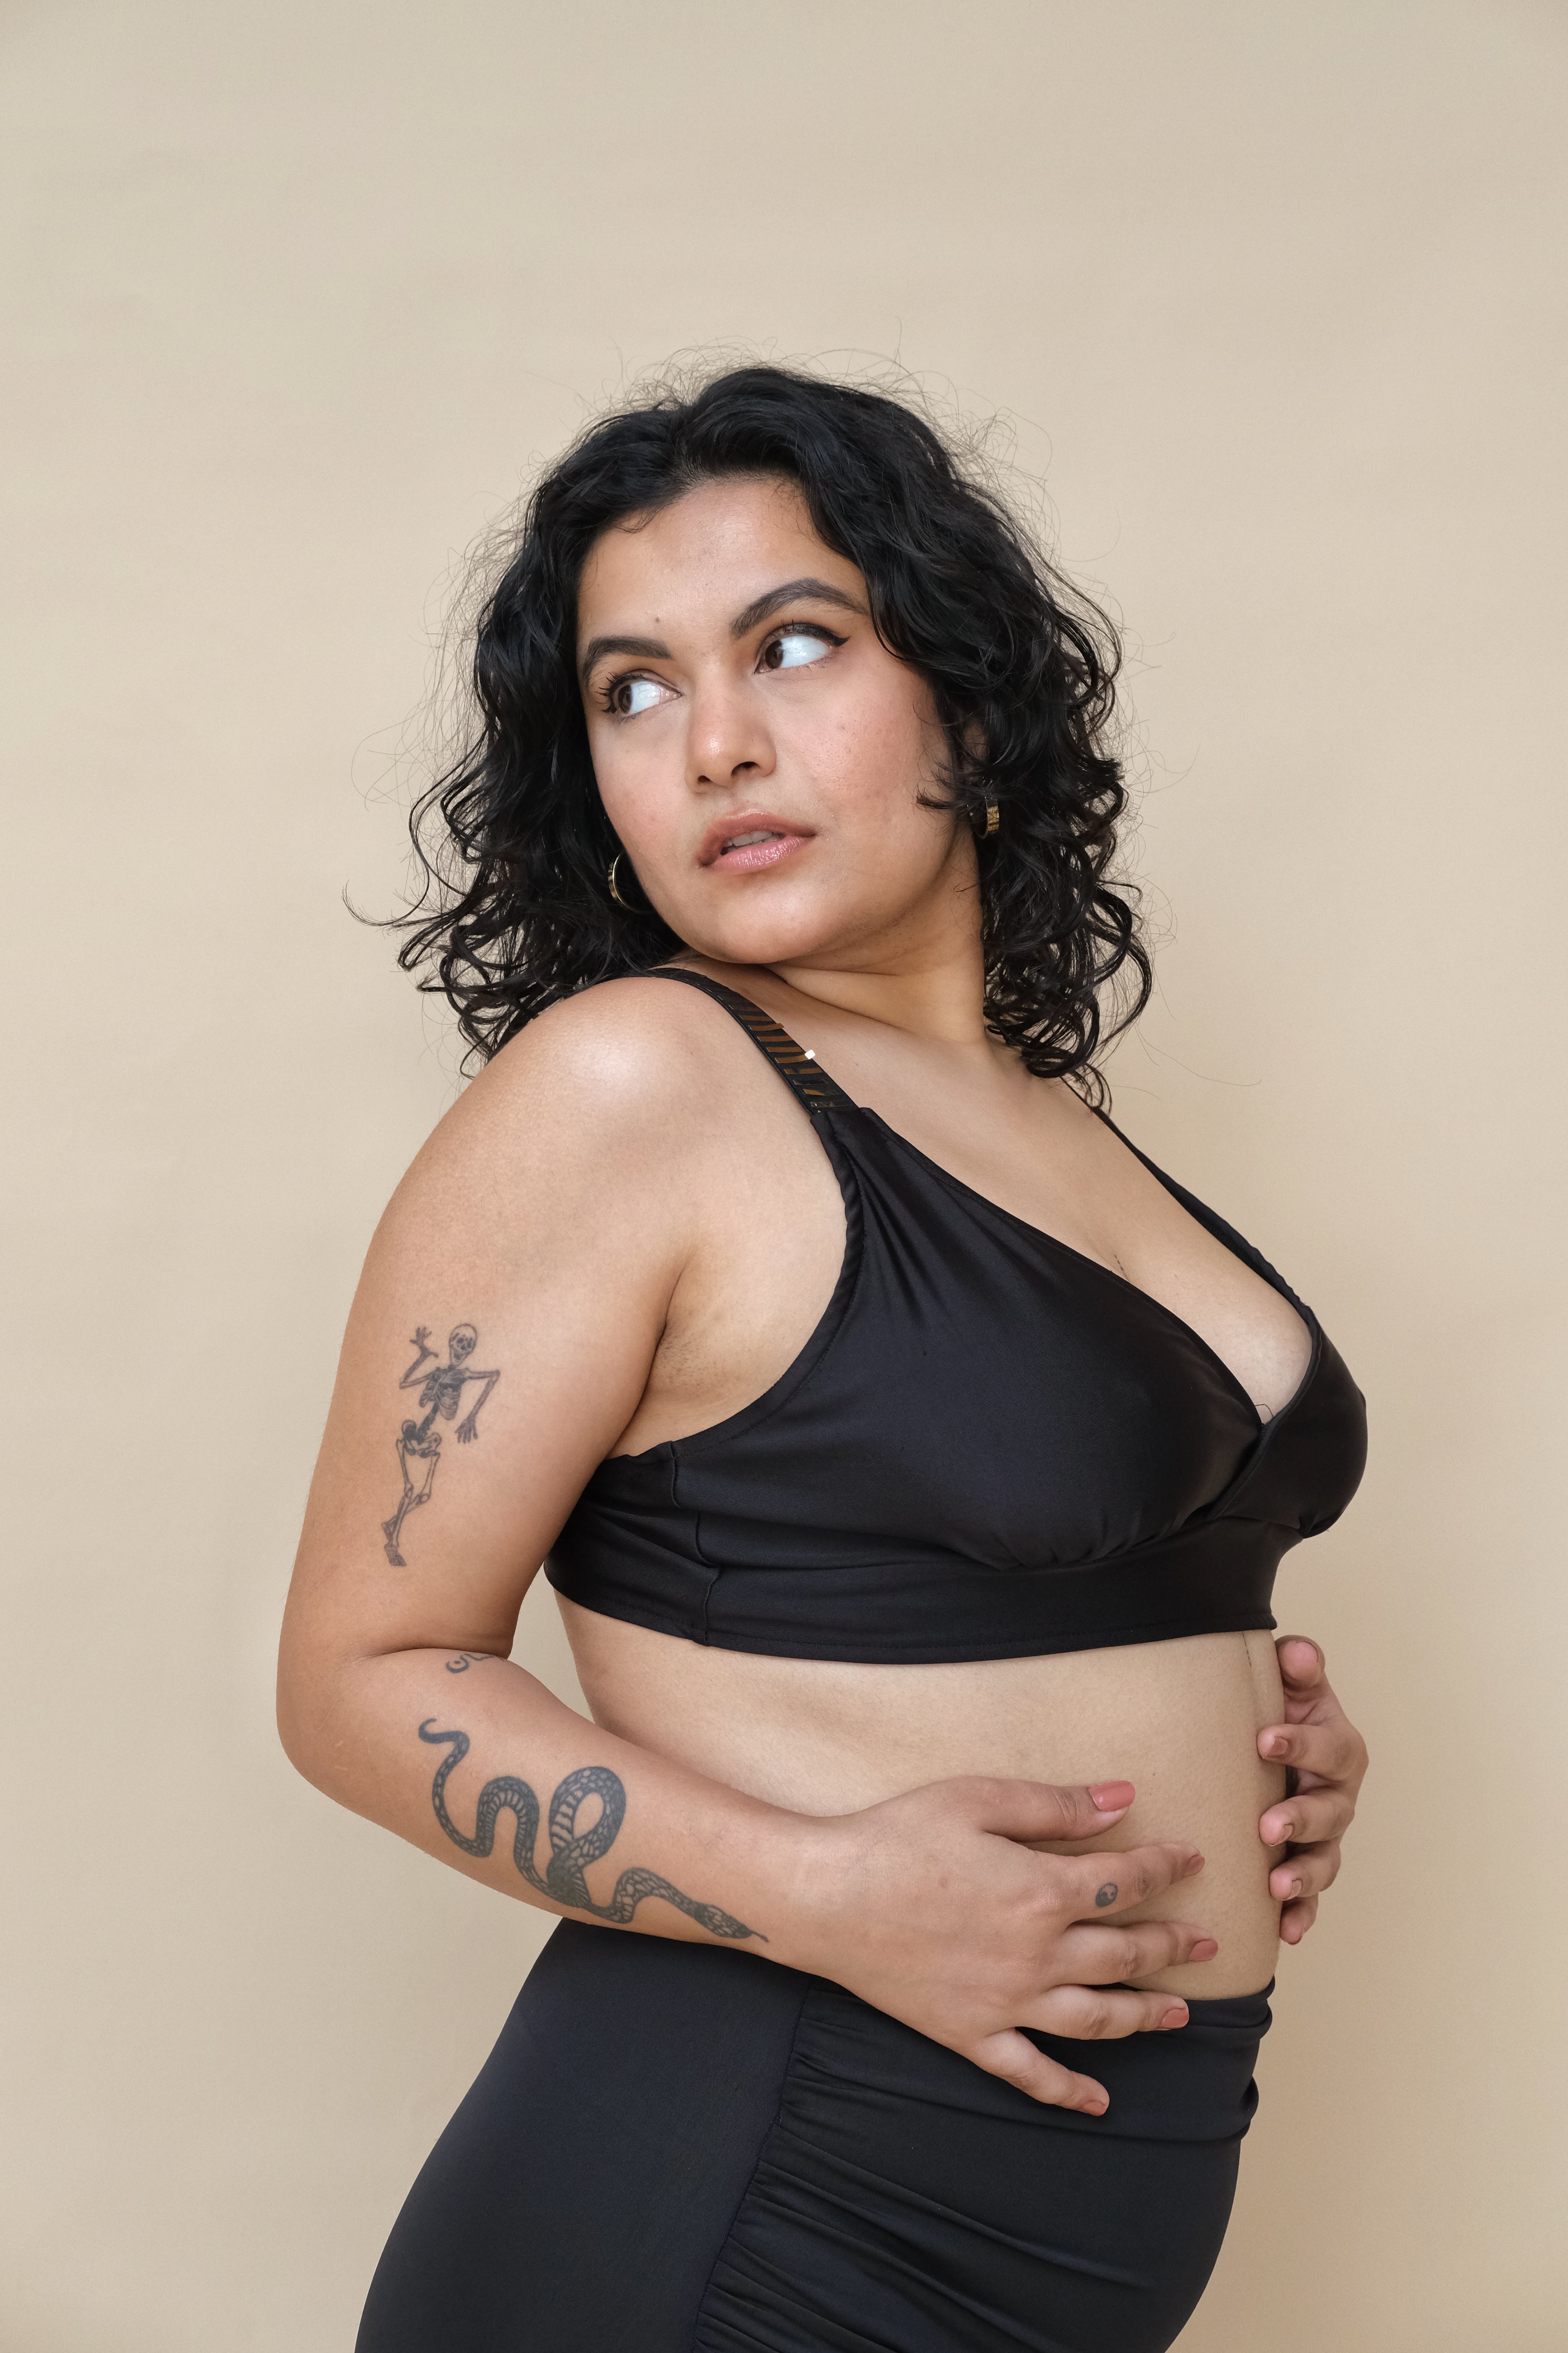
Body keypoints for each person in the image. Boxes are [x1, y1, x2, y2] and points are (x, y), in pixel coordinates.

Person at [277, 365, 1370, 2353]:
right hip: (755, 2204)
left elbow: (1038, 1582)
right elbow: (360, 1679)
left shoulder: (1042, 1121)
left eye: (793, 645)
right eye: (633, 690)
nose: (715, 744)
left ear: (967, 694)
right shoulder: (638, 1084)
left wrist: (1256, 1733)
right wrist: (825, 1888)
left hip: (1068, 2227)